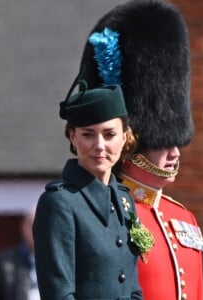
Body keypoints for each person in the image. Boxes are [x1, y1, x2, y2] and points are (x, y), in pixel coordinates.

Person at [79, 0, 203, 300]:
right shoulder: (99, 212)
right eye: (162, 141)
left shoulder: (184, 219)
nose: (175, 152)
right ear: (132, 140)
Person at [32, 76, 146, 299]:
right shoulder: (60, 203)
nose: (100, 146)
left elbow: (133, 289)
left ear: (124, 138)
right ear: (73, 137)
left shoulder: (124, 200)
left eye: (109, 134)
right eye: (88, 134)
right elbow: (59, 295)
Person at [0, 208, 39, 300]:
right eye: (32, 225)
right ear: (24, 227)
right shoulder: (2, 263)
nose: (36, 231)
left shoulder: (56, 263)